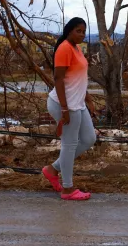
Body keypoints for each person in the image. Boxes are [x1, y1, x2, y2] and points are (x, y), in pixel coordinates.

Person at [41, 17, 97, 201]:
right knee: (69, 144)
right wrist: (64, 109)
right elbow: (58, 79)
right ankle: (67, 189)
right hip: (64, 104)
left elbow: (78, 78)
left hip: (77, 103)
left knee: (89, 139)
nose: (81, 34)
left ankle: (52, 169)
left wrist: (88, 99)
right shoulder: (64, 48)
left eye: (83, 31)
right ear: (69, 31)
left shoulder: (77, 48)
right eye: (78, 31)